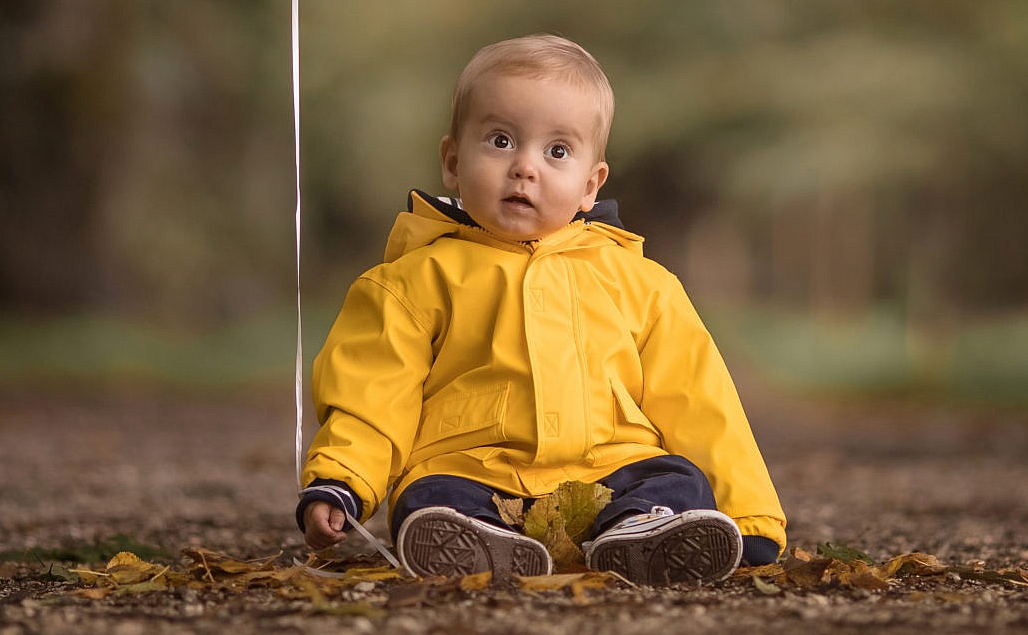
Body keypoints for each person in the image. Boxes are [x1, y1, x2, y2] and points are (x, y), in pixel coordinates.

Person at [295, 34, 785, 584]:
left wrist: (749, 514)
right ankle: (475, 541)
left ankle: (641, 533)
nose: (525, 167)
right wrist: (342, 479)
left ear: (589, 185)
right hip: (474, 469)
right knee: (431, 494)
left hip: (610, 469)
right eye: (501, 140)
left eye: (557, 151)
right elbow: (372, 394)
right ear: (452, 163)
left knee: (678, 479)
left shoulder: (643, 284)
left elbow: (699, 400)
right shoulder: (413, 282)